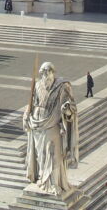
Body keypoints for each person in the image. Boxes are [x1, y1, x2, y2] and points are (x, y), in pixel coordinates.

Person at [24, 61, 79, 195]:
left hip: (53, 122)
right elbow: (32, 103)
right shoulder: (37, 85)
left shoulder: (62, 86)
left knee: (53, 153)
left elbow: (71, 105)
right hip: (37, 123)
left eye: (47, 72)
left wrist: (67, 108)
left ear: (53, 72)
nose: (45, 75)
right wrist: (26, 113)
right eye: (43, 72)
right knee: (41, 155)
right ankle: (43, 179)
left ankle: (54, 183)